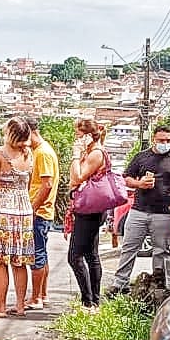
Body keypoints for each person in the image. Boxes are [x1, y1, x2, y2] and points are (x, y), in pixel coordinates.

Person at [109, 126, 170, 293]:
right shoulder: (142, 157)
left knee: (161, 250)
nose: (165, 143)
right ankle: (119, 283)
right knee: (129, 247)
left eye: (168, 141)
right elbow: (127, 177)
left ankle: (157, 284)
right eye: (161, 140)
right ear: (154, 140)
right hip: (139, 210)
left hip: (165, 212)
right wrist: (139, 184)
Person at [0, 117, 36, 317]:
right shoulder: (29, 154)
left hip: (3, 210)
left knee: (1, 261)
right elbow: (29, 183)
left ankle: (0, 305)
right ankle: (19, 304)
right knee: (20, 261)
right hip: (24, 209)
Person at [67, 119, 110, 311]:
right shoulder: (92, 152)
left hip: (90, 210)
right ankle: (93, 300)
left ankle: (89, 300)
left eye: (77, 135)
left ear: (85, 136)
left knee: (75, 256)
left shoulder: (96, 154)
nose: (75, 139)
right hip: (89, 208)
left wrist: (76, 156)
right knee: (90, 254)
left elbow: (77, 177)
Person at [25, 115, 59, 310]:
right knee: (42, 254)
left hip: (40, 212)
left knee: (37, 255)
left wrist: (33, 208)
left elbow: (46, 184)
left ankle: (36, 297)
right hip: (44, 211)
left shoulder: (42, 153)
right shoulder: (41, 151)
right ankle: (42, 294)